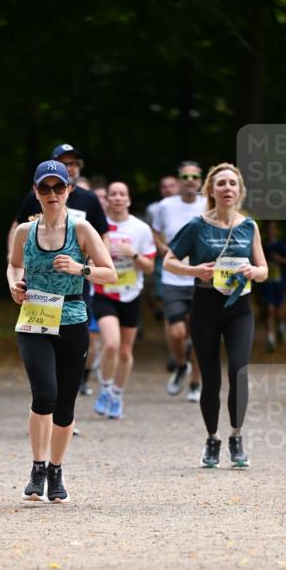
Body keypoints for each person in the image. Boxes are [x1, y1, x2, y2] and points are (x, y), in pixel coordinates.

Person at [7, 161, 116, 502]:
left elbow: (109, 273)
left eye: (59, 187)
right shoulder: (24, 232)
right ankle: (37, 466)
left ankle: (56, 471)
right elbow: (14, 265)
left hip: (71, 317)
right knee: (44, 394)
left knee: (65, 404)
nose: (52, 194)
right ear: (35, 192)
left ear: (69, 189)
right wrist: (14, 286)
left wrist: (80, 268)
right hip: (34, 318)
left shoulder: (82, 229)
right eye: (45, 188)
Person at [163, 162, 267, 469]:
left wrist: (253, 270)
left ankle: (236, 437)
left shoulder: (249, 226)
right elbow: (169, 262)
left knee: (238, 371)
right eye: (221, 183)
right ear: (210, 190)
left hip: (239, 308)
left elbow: (264, 270)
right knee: (210, 379)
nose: (227, 189)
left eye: (233, 184)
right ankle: (212, 439)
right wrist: (194, 270)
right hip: (205, 306)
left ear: (240, 191)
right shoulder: (197, 225)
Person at [91, 181, 156, 419]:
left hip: (130, 294)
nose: (117, 198)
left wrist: (134, 254)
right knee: (110, 344)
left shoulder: (140, 229)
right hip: (104, 292)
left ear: (128, 200)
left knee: (126, 352)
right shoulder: (97, 226)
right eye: (113, 194)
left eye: (122, 194)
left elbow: (149, 267)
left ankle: (118, 395)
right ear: (107, 199)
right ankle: (105, 389)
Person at [151, 162, 205, 399]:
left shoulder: (208, 203)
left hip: (202, 278)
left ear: (201, 180)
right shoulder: (166, 206)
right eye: (186, 176)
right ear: (179, 180)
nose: (190, 180)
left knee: (202, 333)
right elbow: (154, 230)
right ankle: (181, 365)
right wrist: (162, 247)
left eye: (195, 176)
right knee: (177, 333)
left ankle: (196, 383)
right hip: (173, 277)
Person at [144, 175, 179, 330]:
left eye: (171, 185)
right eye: (164, 186)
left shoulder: (189, 206)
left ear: (178, 187)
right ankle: (168, 317)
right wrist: (159, 246)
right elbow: (148, 230)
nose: (168, 189)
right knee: (163, 293)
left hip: (186, 258)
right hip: (161, 256)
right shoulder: (153, 208)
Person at [261, 221, 286, 350]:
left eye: (273, 229)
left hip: (279, 283)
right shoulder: (261, 246)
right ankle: (270, 337)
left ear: (276, 231)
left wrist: (279, 259)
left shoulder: (281, 246)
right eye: (268, 229)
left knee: (278, 312)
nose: (270, 231)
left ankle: (281, 327)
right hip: (266, 284)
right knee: (268, 310)